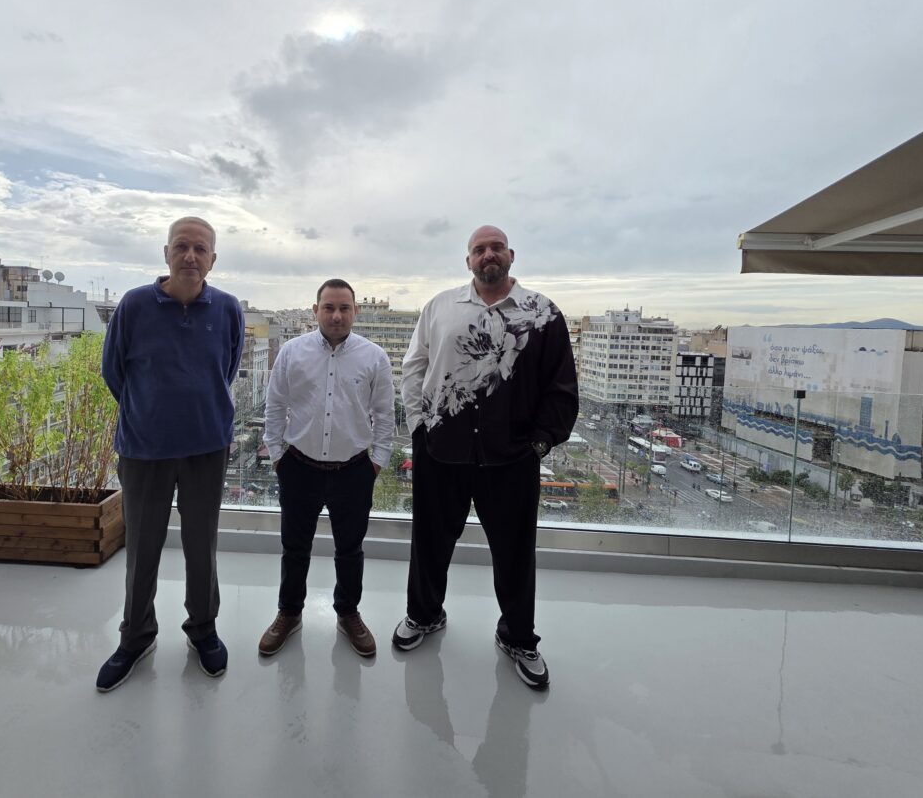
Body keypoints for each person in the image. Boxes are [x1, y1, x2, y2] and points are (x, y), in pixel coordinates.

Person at [392, 225, 578, 689]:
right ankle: (423, 614)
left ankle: (518, 636)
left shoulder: (543, 313)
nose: (488, 254)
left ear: (511, 255)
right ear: (468, 260)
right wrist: (419, 428)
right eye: (479, 249)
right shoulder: (440, 307)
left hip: (512, 458)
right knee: (429, 542)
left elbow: (561, 387)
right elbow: (413, 367)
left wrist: (540, 444)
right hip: (441, 449)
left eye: (496, 247)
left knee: (515, 552)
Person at [96, 216, 245, 691]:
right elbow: (113, 371)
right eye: (182, 246)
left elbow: (227, 369)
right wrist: (149, 413)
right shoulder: (135, 305)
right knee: (142, 547)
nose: (190, 256)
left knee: (202, 546)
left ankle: (203, 629)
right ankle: (135, 637)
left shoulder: (227, 309)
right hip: (144, 449)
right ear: (166, 253)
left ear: (213, 260)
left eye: (200, 249)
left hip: (207, 447)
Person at [259, 279, 395, 657]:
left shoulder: (374, 357)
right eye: (329, 307)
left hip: (354, 470)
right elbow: (275, 405)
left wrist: (377, 462)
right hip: (299, 467)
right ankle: (289, 612)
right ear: (315, 310)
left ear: (355, 311)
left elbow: (385, 414)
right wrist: (277, 455)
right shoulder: (292, 352)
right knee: (294, 547)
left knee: (350, 549)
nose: (336, 315)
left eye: (344, 308)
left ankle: (348, 613)